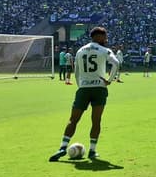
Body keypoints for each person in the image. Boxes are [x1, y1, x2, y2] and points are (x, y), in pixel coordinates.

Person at [49, 26, 120, 162]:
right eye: (104, 36)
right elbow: (116, 64)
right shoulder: (105, 50)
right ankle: (92, 151)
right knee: (96, 120)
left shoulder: (81, 51)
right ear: (97, 37)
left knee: (73, 119)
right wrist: (109, 80)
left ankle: (62, 147)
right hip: (99, 88)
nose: (106, 39)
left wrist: (80, 85)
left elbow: (76, 71)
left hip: (83, 88)